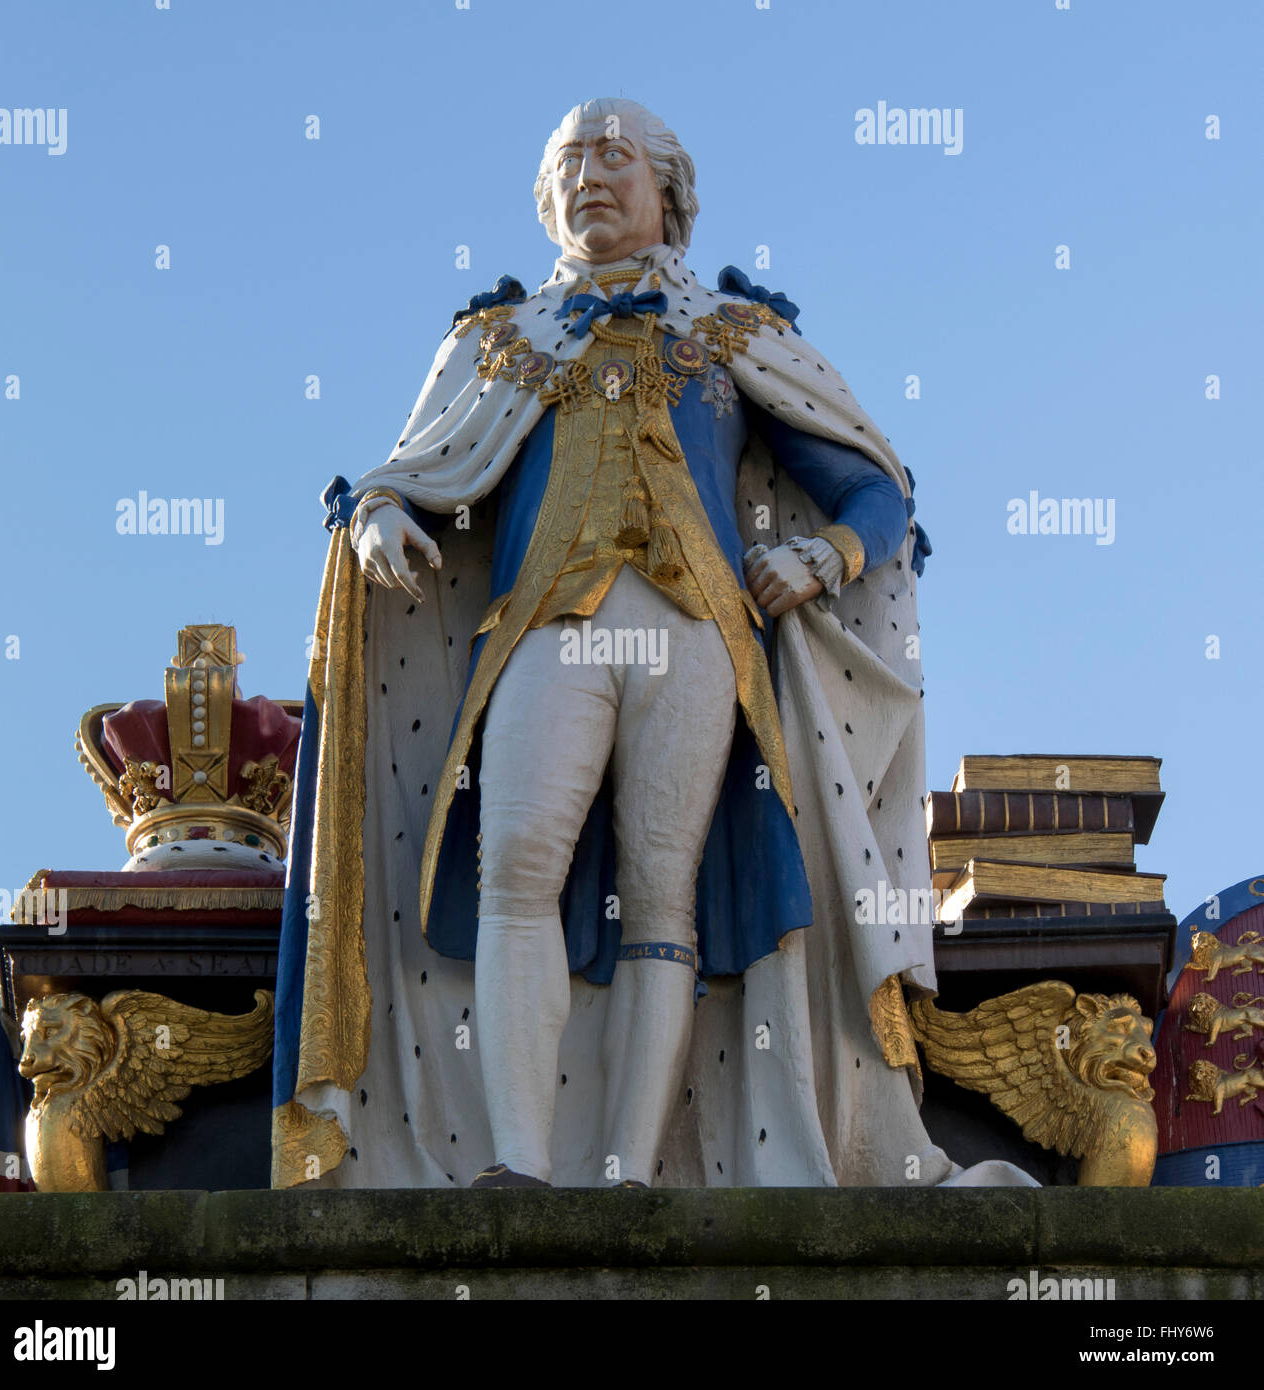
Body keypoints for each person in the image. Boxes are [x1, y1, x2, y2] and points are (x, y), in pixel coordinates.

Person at [271, 98, 1031, 1192]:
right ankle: (520, 1163)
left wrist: (821, 561)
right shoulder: (501, 343)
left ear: (666, 190)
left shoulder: (735, 335)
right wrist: (385, 513)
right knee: (517, 865)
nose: (590, 173)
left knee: (663, 891)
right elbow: (419, 464)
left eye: (613, 154)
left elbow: (873, 487)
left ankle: (629, 1169)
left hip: (696, 633)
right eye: (570, 158)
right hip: (547, 623)